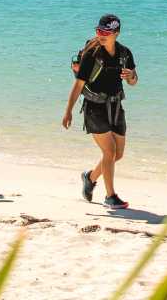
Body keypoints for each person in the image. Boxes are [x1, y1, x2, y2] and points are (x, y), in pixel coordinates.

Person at [61, 14, 136, 209]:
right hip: (94, 108)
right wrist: (68, 111)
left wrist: (131, 76)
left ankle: (90, 177)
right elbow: (78, 85)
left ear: (116, 34)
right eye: (99, 31)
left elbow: (134, 81)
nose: (101, 35)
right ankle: (110, 197)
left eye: (106, 32)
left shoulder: (125, 54)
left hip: (116, 106)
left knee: (117, 155)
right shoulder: (91, 55)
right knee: (109, 152)